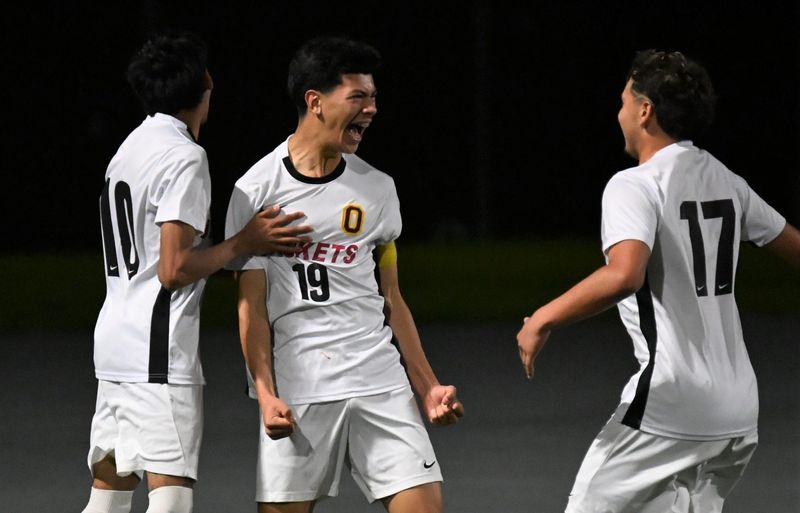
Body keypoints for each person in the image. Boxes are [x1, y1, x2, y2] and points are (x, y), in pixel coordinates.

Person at [516, 49, 800, 512]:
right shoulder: (726, 180)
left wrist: (542, 319)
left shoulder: (635, 184)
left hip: (674, 403)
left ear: (645, 110)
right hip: (738, 411)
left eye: (624, 101)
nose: (619, 113)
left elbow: (625, 274)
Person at [225, 35, 464, 513]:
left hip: (379, 381)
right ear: (315, 102)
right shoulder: (255, 191)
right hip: (302, 388)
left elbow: (391, 299)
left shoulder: (377, 189)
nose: (371, 109)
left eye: (373, 97)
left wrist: (428, 386)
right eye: (358, 96)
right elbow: (250, 306)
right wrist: (266, 395)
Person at [82, 32, 312, 513]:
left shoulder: (128, 148)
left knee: (108, 499)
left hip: (114, 343)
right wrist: (242, 243)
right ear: (205, 83)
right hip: (157, 354)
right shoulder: (185, 155)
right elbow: (174, 268)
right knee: (172, 500)